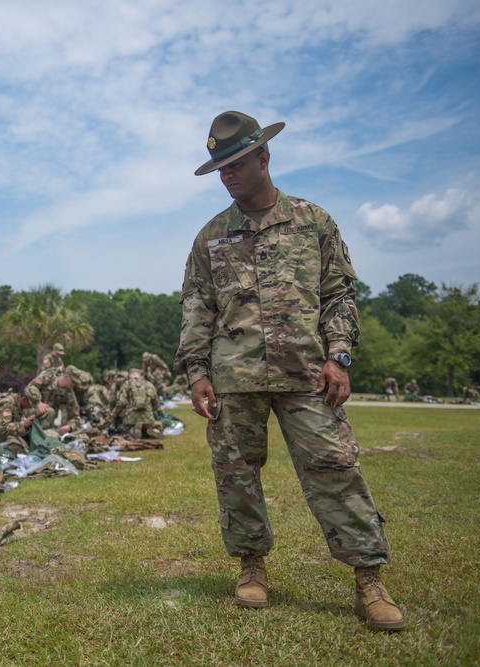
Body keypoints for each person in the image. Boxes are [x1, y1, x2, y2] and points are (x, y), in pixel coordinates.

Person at [174, 110, 403, 631]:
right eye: (220, 169)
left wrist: (338, 354)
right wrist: (196, 371)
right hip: (235, 379)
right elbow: (197, 307)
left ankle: (369, 580)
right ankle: (251, 567)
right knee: (236, 478)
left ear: (263, 157)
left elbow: (339, 293)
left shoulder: (312, 221)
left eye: (235, 164)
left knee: (336, 470)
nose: (228, 175)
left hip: (307, 373)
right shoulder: (210, 236)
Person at [24, 365, 84, 435]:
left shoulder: (69, 394)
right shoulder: (47, 377)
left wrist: (69, 427)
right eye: (73, 381)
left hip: (46, 423)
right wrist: (38, 402)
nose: (74, 384)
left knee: (55, 436)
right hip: (29, 413)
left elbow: (76, 417)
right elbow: (29, 388)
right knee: (50, 411)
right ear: (66, 377)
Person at [112, 369, 162, 438]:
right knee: (149, 425)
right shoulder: (149, 384)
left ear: (129, 376)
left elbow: (122, 402)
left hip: (131, 418)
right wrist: (151, 411)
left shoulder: (127, 385)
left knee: (122, 430)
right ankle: (151, 430)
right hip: (148, 418)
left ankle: (133, 430)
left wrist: (114, 414)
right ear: (140, 376)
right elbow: (156, 403)